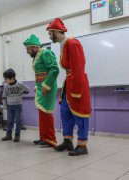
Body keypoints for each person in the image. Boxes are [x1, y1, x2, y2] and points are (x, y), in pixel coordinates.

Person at [47, 18, 91, 156]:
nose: (49, 36)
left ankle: (82, 145)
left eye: (50, 33)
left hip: (77, 84)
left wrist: (76, 91)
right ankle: (68, 141)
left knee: (80, 115)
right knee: (65, 112)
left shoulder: (72, 43)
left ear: (56, 32)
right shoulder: (64, 44)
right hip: (69, 82)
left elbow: (78, 68)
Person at [23, 34, 59, 147]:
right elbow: (40, 74)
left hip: (47, 87)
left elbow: (54, 70)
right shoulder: (37, 56)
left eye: (28, 48)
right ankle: (44, 137)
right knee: (42, 114)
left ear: (34, 47)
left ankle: (51, 140)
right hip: (41, 87)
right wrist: (37, 85)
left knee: (46, 113)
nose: (27, 51)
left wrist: (46, 85)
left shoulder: (46, 53)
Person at [1, 68, 29, 142]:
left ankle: (17, 135)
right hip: (9, 106)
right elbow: (4, 96)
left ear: (12, 78)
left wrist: (21, 93)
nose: (5, 80)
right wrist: (4, 105)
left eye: (6, 79)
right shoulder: (6, 86)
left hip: (18, 105)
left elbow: (27, 90)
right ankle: (8, 135)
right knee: (9, 120)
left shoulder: (19, 84)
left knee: (17, 120)